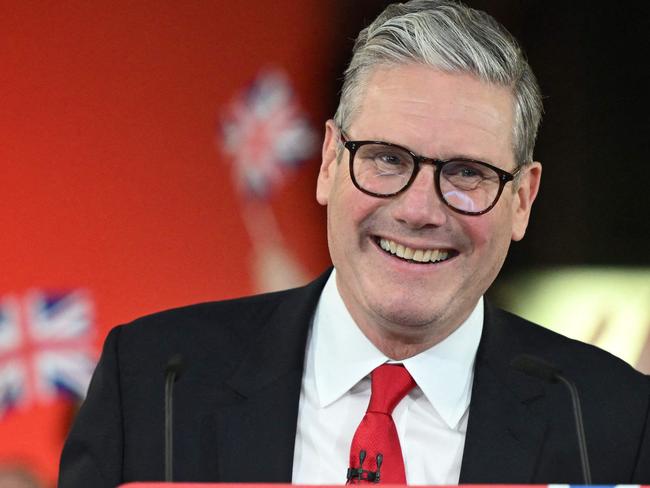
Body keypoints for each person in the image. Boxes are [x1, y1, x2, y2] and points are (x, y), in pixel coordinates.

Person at [59, 1, 650, 486]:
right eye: (388, 159)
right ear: (327, 162)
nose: (419, 210)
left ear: (522, 199)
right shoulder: (152, 387)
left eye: (468, 173)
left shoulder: (616, 422)